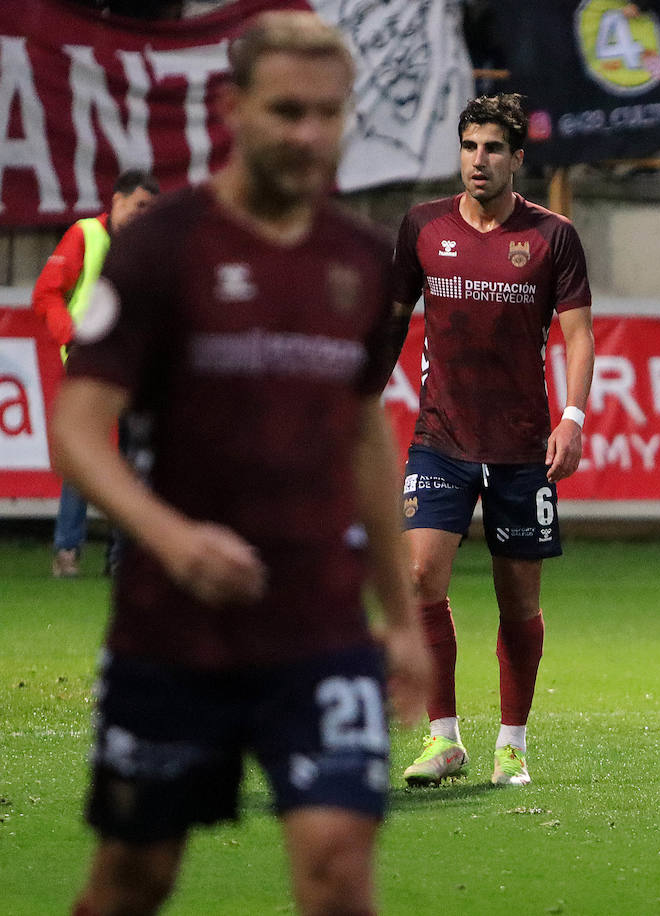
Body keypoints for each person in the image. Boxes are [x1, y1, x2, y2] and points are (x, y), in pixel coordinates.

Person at [51, 12, 429, 914]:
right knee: (133, 881)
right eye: (287, 111)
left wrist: (401, 614)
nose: (309, 136)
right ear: (231, 107)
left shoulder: (362, 261)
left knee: (340, 870)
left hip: (319, 629)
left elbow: (364, 433)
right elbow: (74, 424)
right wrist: (169, 537)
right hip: (173, 631)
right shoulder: (159, 247)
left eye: (328, 114)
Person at [390, 93, 595, 788]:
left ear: (517, 158)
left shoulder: (551, 237)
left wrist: (573, 416)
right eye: (470, 146)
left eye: (494, 149)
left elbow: (578, 335)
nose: (480, 160)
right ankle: (443, 737)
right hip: (440, 435)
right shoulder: (422, 227)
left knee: (518, 604)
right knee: (420, 575)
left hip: (520, 448)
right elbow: (390, 320)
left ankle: (513, 743)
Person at [32, 168, 159, 578]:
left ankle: (120, 557)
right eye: (139, 206)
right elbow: (46, 293)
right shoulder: (86, 234)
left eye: (150, 209)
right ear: (117, 200)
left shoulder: (147, 245)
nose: (144, 216)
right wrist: (70, 335)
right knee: (84, 457)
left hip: (133, 369)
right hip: (90, 370)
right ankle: (67, 551)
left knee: (129, 464)